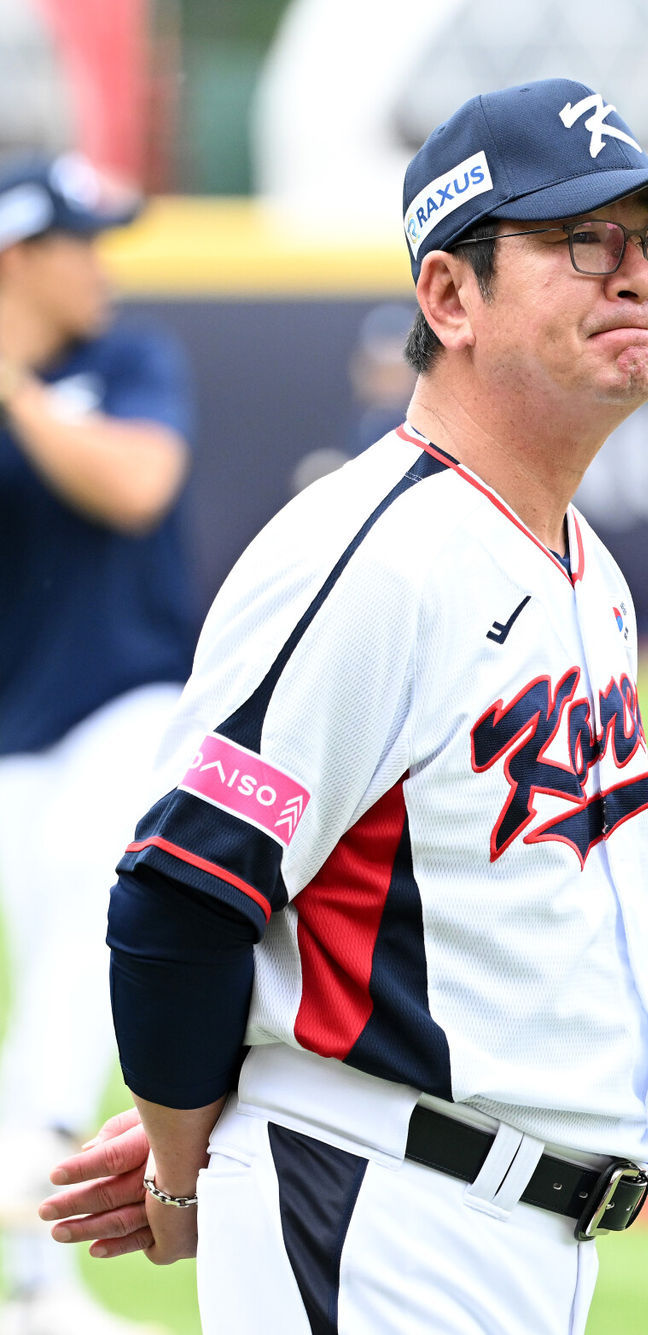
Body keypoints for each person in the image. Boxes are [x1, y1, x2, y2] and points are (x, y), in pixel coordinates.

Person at [38, 79, 648, 1334]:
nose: (637, 274)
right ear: (448, 297)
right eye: (585, 239)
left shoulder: (582, 565)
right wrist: (182, 1161)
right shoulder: (378, 553)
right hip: (373, 1213)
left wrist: (203, 1121)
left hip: (487, 1219)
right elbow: (181, 886)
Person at [0, 151, 196, 1335]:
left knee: (101, 901)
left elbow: (137, 484)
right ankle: (31, 1282)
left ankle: (32, 1161)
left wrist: (14, 389)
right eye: (82, 243)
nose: (103, 267)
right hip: (10, 737)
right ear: (21, 255)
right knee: (54, 966)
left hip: (131, 703)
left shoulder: (127, 361)